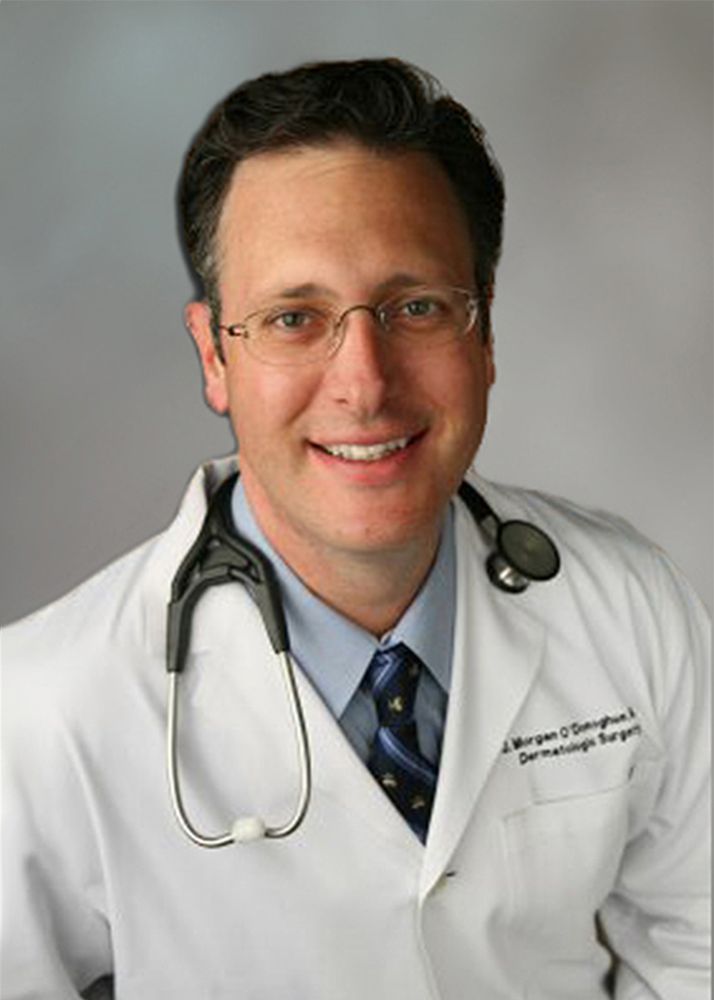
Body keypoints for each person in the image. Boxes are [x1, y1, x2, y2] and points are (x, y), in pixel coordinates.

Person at [1, 57, 709, 1000]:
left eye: (416, 307)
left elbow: (699, 948)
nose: (365, 383)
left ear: (485, 331)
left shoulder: (630, 609)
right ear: (214, 356)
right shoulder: (41, 710)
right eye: (294, 318)